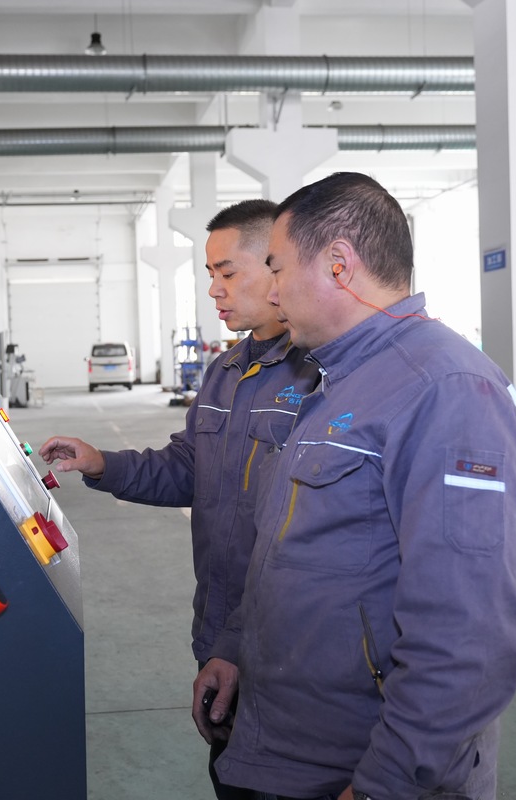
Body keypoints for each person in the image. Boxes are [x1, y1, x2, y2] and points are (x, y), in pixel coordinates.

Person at [196, 173, 516, 800]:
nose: (273, 289)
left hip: (359, 765)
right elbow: (290, 546)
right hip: (291, 745)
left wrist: (387, 782)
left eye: (277, 268)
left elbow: (466, 632)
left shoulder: (446, 390)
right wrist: (236, 645)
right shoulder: (337, 380)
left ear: (339, 265)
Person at [40, 199, 320, 800]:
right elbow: (190, 467)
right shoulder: (226, 372)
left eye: (228, 272)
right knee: (232, 776)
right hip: (218, 628)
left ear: (277, 267)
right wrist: (102, 462)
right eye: (210, 274)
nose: (214, 289)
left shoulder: (318, 375)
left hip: (285, 645)